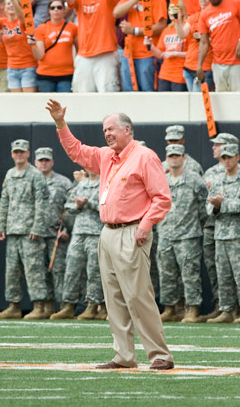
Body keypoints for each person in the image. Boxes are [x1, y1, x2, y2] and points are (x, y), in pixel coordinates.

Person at [46, 99, 174, 370]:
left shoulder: (144, 156)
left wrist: (146, 224)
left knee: (138, 295)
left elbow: (162, 198)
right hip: (107, 233)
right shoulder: (106, 156)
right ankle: (124, 356)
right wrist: (60, 123)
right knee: (113, 298)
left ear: (128, 130)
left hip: (133, 231)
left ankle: (159, 354)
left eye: (111, 129)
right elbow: (76, 150)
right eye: (104, 130)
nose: (107, 134)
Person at [0, 139, 52, 320]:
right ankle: (14, 306)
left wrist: (37, 227)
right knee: (12, 271)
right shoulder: (10, 174)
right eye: (16, 152)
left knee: (34, 270)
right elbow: (4, 200)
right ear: (12, 154)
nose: (19, 154)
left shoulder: (36, 175)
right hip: (12, 230)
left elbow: (42, 203)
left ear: (28, 154)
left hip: (30, 231)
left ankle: (39, 306)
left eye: (22, 151)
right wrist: (0, 224)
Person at [157, 144, 208, 323]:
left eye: (177, 156)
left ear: (184, 158)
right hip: (165, 234)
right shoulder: (161, 180)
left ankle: (192, 309)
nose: (174, 159)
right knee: (166, 274)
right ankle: (170, 309)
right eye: (171, 156)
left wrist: (196, 224)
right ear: (166, 158)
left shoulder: (195, 179)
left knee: (190, 274)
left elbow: (205, 206)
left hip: (187, 236)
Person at [206, 142, 240, 324]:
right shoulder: (218, 180)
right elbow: (208, 207)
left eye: (230, 157)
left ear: (238, 157)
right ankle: (227, 309)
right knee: (223, 275)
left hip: (239, 235)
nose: (226, 161)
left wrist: (223, 204)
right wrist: (216, 206)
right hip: (221, 234)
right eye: (224, 158)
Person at [53, 167, 106, 321]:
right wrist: (78, 205)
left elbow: (107, 207)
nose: (91, 168)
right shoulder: (81, 184)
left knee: (94, 271)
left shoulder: (105, 184)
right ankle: (68, 306)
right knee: (71, 269)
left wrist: (88, 203)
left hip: (96, 233)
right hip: (78, 233)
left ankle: (92, 306)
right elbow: (68, 206)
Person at [196, 0, 240, 91]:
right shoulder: (204, 14)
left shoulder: (235, 3)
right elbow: (204, 43)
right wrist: (199, 66)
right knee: (222, 97)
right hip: (218, 63)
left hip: (237, 61)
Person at [35, 146, 73, 311]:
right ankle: (46, 307)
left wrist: (66, 230)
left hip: (55, 234)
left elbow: (70, 209)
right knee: (40, 271)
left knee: (59, 270)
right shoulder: (30, 180)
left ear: (52, 162)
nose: (44, 163)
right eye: (41, 160)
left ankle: (64, 306)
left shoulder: (63, 182)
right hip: (35, 235)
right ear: (35, 162)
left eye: (47, 160)